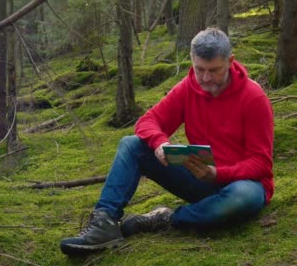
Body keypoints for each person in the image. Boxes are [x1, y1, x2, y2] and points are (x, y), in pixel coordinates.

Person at [60, 27, 274, 255]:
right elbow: (147, 121)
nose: (205, 77)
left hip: (243, 186)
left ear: (230, 61)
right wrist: (160, 143)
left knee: (242, 198)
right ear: (192, 60)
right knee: (132, 145)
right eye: (199, 68)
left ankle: (167, 218)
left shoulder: (253, 97)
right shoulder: (188, 87)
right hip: (200, 181)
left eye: (214, 70)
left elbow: (261, 163)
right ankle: (104, 223)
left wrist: (218, 174)